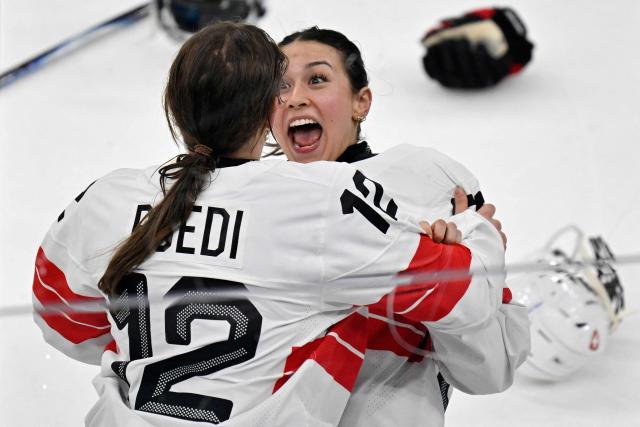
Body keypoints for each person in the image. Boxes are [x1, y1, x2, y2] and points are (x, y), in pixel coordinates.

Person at [32, 22, 505, 426]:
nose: (297, 97)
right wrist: (479, 238)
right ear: (268, 108)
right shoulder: (319, 197)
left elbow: (63, 322)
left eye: (317, 79)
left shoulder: (107, 197)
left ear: (173, 106)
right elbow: (461, 295)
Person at [269, 26, 530, 426]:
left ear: (361, 101)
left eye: (317, 79)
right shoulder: (252, 198)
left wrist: (452, 285)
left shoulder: (427, 178)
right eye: (280, 86)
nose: (295, 98)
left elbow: (493, 369)